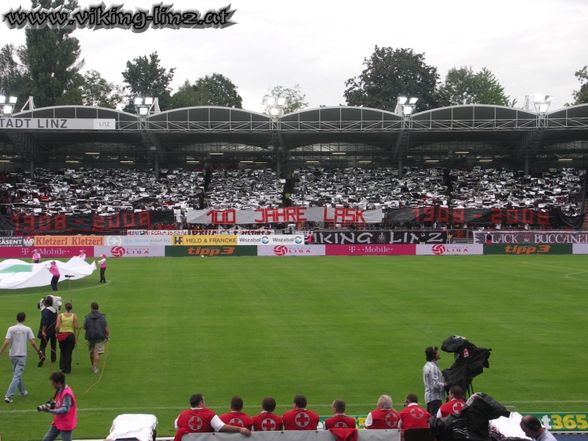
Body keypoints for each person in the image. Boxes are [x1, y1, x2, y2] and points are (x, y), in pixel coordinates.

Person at [0, 312, 43, 403]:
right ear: (24, 319)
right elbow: (33, 342)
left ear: (17, 318)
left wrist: (1, 351)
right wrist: (39, 351)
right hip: (22, 355)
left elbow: (7, 341)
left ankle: (23, 391)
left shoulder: (11, 329)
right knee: (16, 376)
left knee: (17, 374)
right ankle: (8, 396)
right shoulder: (27, 329)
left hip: (12, 355)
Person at [173, 393, 251, 441]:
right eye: (204, 401)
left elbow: (178, 428)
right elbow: (221, 427)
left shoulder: (181, 415)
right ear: (201, 403)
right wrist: (240, 429)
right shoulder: (209, 414)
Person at [40, 372, 77, 441]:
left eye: (53, 383)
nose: (52, 385)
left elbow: (65, 409)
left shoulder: (67, 394)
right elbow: (57, 403)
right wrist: (49, 405)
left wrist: (50, 410)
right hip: (58, 421)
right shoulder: (59, 390)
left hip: (66, 424)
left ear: (59, 383)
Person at [83, 302, 109, 374]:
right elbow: (106, 329)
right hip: (99, 337)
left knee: (92, 352)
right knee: (97, 353)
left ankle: (93, 366)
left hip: (90, 337)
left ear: (91, 308)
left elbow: (85, 327)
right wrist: (107, 336)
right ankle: (95, 368)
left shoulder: (87, 317)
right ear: (98, 308)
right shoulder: (102, 317)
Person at [56, 303, 79, 374]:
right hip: (70, 335)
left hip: (62, 335)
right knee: (68, 352)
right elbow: (76, 327)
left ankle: (62, 368)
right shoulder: (74, 316)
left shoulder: (60, 315)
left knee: (63, 351)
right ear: (71, 308)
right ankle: (68, 369)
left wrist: (57, 333)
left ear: (65, 308)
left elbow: (57, 326)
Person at [423, 346, 445, 415]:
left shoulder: (427, 365)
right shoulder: (433, 368)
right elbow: (435, 385)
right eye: (437, 352)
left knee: (431, 421)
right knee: (435, 421)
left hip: (430, 398)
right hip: (435, 399)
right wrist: (446, 384)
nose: (439, 353)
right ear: (434, 355)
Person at [38, 296, 58, 368]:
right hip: (53, 330)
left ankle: (42, 356)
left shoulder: (46, 311)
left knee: (42, 345)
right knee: (53, 345)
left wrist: (43, 331)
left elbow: (45, 322)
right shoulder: (55, 310)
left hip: (46, 330)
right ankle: (53, 358)